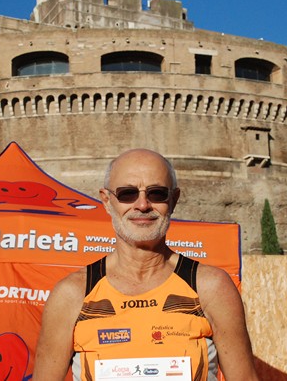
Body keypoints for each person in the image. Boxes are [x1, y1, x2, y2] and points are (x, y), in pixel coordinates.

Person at [33, 149, 259, 380]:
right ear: (106, 200)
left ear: (173, 200)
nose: (142, 205)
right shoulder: (72, 294)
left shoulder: (211, 287)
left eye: (157, 193)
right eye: (128, 193)